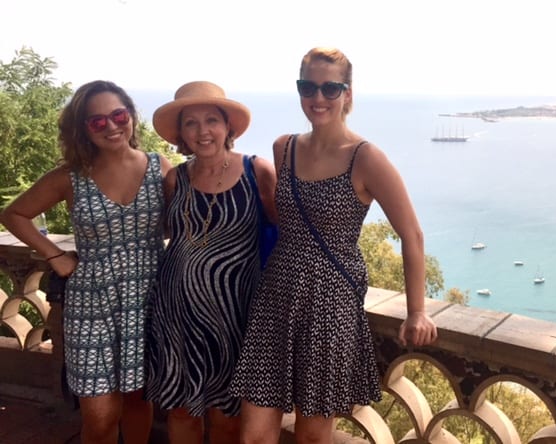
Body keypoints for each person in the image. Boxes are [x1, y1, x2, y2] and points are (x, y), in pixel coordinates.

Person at [229, 47, 438, 444]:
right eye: (308, 86)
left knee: (312, 434)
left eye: (330, 87)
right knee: (254, 434)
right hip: (277, 296)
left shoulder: (365, 158)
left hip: (330, 303)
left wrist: (417, 311)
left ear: (348, 93)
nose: (318, 98)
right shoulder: (284, 148)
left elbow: (412, 234)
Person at [0, 80, 172, 444]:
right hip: (91, 305)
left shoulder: (160, 168)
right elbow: (14, 214)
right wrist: (55, 255)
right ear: (82, 129)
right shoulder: (71, 177)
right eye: (97, 122)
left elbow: (187, 219)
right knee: (99, 415)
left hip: (149, 300)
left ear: (130, 117)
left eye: (118, 115)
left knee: (140, 401)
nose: (110, 126)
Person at [144, 81, 276, 444]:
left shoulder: (256, 171)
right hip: (176, 317)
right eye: (191, 123)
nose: (203, 131)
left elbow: (282, 233)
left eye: (212, 120)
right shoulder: (176, 178)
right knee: (181, 412)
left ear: (228, 127)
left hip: (235, 319)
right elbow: (170, 232)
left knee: (228, 417)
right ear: (182, 135)